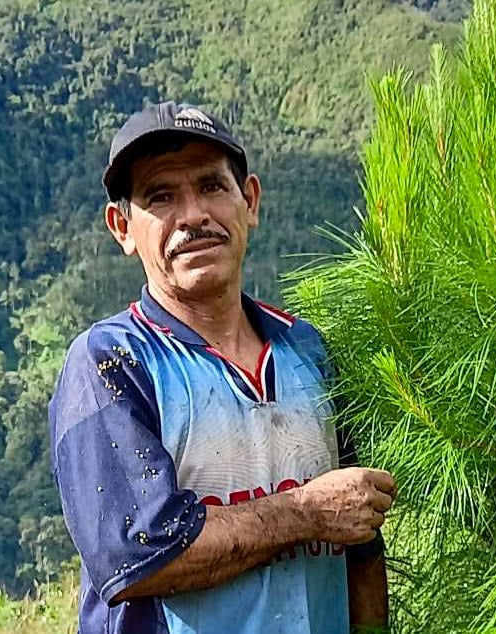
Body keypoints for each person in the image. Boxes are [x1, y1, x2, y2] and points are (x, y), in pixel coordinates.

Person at [49, 101, 397, 634]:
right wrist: (306, 512)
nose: (193, 215)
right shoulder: (112, 362)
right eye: (161, 196)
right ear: (122, 227)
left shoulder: (308, 351)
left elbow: (359, 537)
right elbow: (138, 554)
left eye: (212, 186)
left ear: (249, 200)